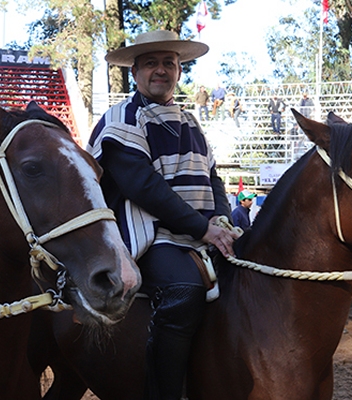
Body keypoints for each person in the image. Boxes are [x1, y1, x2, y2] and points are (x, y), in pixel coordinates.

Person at [88, 29, 239, 399]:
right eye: (151, 63)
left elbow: (213, 177)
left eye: (169, 63)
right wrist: (203, 229)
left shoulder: (191, 122)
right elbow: (143, 187)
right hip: (149, 237)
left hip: (202, 233)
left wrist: (221, 218)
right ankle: (163, 392)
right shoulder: (121, 117)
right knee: (183, 291)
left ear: (179, 71)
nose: (161, 70)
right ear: (135, 72)